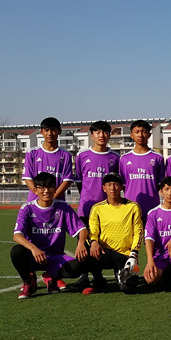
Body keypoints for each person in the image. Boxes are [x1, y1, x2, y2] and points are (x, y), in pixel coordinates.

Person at [11, 172, 88, 299]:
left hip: (55, 257)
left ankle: (51, 277)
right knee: (16, 252)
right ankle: (28, 281)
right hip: (34, 256)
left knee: (78, 266)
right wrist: (34, 249)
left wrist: (81, 243)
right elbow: (17, 236)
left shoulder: (63, 207)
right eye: (42, 187)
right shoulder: (27, 209)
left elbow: (82, 229)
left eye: (50, 187)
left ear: (55, 189)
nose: (46, 191)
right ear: (35, 190)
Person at [73, 120, 120, 288]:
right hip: (86, 209)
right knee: (84, 243)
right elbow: (79, 182)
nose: (102, 135)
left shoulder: (115, 158)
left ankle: (101, 276)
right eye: (98, 132)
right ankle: (84, 276)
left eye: (105, 132)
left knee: (103, 242)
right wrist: (87, 198)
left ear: (109, 135)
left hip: (107, 210)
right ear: (92, 135)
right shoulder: (82, 156)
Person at [83, 173, 144, 295]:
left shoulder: (133, 207)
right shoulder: (97, 208)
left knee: (128, 288)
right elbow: (92, 231)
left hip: (125, 256)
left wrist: (134, 254)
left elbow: (138, 232)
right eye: (109, 184)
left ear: (121, 187)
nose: (112, 188)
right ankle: (98, 280)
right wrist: (94, 242)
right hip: (105, 253)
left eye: (116, 184)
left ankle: (123, 276)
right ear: (104, 188)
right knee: (86, 246)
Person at [119, 119, 165, 222]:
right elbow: (123, 185)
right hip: (130, 207)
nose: (140, 135)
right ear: (131, 135)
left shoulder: (158, 157)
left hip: (152, 207)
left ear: (149, 135)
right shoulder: (124, 159)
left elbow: (160, 185)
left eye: (144, 132)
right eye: (137, 132)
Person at [22, 116, 75, 202]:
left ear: (59, 131)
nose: (49, 133)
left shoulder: (66, 155)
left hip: (57, 201)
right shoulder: (32, 153)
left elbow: (67, 180)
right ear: (41, 132)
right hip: (35, 201)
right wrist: (41, 196)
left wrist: (52, 198)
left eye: (53, 130)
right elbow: (28, 178)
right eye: (46, 130)